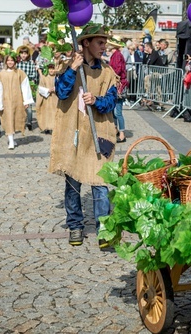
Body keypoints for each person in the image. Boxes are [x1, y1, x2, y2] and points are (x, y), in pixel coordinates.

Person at [48, 24, 118, 249]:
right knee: (74, 182)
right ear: (85, 43)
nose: (104, 47)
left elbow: (112, 101)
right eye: (100, 42)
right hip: (74, 133)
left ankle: (104, 228)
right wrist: (72, 69)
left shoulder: (107, 72)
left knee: (100, 182)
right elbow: (62, 92)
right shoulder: (69, 67)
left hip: (98, 133)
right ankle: (75, 225)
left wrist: (96, 101)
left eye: (105, 42)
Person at [0, 51, 34, 150]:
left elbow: (25, 87)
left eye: (12, 60)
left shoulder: (20, 73)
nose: (10, 62)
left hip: (17, 99)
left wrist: (26, 101)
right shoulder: (1, 74)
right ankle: (11, 140)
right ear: (6, 61)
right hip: (6, 100)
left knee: (15, 118)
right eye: (8, 60)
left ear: (15, 61)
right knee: (8, 119)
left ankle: (12, 137)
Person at [108, 37, 128, 143]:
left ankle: (122, 134)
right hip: (116, 85)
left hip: (119, 85)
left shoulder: (117, 55)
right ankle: (115, 130)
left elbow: (118, 70)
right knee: (114, 111)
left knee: (118, 112)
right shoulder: (115, 55)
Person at [16, 44, 38, 131]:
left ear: (28, 54)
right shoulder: (17, 64)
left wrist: (26, 77)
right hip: (18, 85)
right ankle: (20, 121)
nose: (23, 55)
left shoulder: (31, 63)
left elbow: (34, 74)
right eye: (22, 53)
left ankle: (29, 121)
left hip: (28, 85)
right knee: (19, 104)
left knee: (28, 104)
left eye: (25, 53)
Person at [36, 61, 57, 134]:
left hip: (55, 98)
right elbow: (40, 88)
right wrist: (47, 90)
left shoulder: (57, 77)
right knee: (46, 112)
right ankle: (46, 127)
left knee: (54, 112)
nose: (51, 70)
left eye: (53, 68)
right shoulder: (44, 77)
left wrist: (55, 88)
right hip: (46, 98)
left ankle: (53, 127)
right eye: (50, 68)